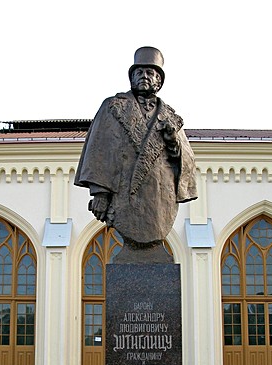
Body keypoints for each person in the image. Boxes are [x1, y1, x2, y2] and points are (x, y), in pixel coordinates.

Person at [74, 46, 197, 262]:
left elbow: (186, 161)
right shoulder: (113, 107)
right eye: (138, 72)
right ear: (131, 78)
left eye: (150, 73)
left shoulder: (171, 117)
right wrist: (100, 194)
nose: (144, 77)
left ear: (159, 81)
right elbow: (99, 150)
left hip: (158, 199)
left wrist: (172, 141)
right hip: (124, 196)